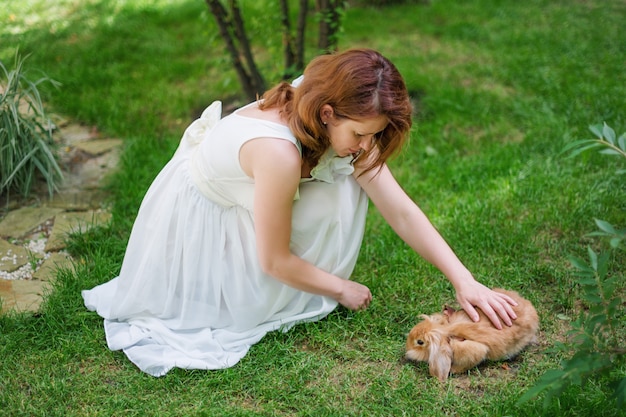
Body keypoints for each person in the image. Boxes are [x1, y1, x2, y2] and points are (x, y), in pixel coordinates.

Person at [82, 48, 517, 377]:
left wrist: (464, 280)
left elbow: (398, 208)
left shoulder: (321, 93)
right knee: (337, 190)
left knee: (349, 177)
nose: (367, 145)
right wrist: (341, 288)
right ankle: (295, 283)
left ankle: (314, 275)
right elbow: (272, 259)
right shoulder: (278, 155)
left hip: (251, 189)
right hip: (207, 223)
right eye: (361, 133)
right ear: (327, 114)